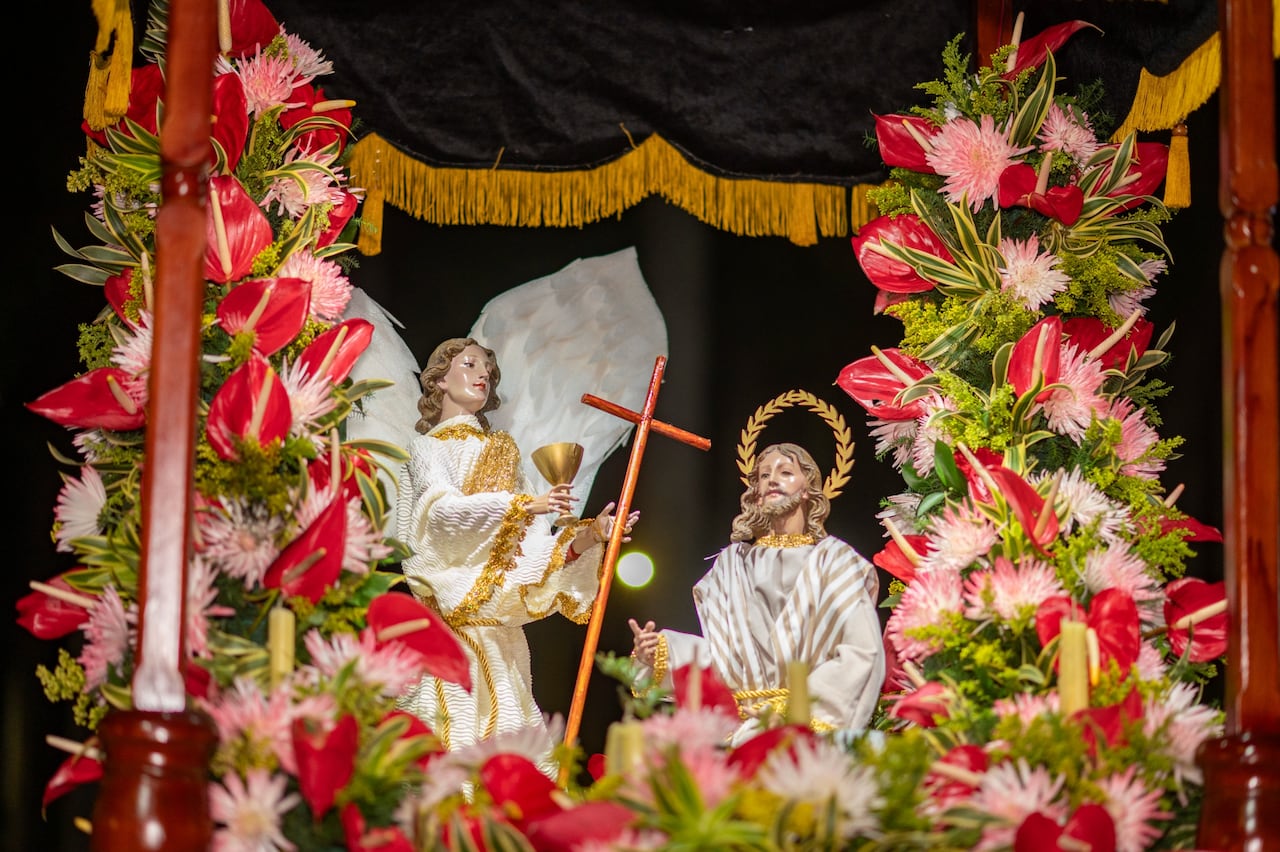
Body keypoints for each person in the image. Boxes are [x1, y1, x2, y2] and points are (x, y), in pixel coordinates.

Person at [396, 337, 638, 771]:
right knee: (449, 759)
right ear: (439, 381)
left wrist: (589, 538)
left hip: (503, 644)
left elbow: (536, 555)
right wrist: (528, 505)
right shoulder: (427, 449)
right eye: (468, 365)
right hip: (449, 639)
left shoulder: (505, 454)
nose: (481, 374)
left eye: (486, 369)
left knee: (519, 766)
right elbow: (441, 516)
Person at [629, 442, 882, 743]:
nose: (772, 479)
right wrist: (661, 653)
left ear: (807, 489)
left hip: (810, 729)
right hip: (740, 732)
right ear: (756, 494)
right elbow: (724, 659)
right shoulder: (732, 566)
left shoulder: (837, 563)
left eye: (786, 472)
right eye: (764, 475)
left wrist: (797, 710)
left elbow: (861, 650)